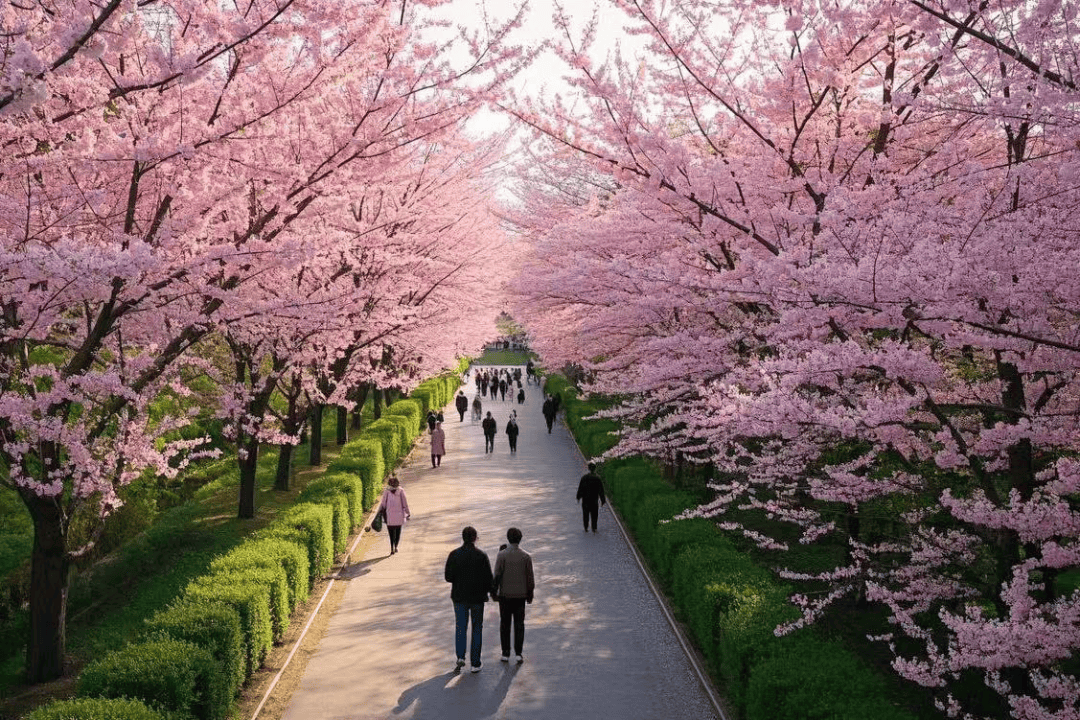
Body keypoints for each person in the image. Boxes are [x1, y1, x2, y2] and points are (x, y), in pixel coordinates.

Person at [445, 526, 494, 673]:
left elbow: (448, 577)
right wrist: (492, 592)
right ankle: (475, 663)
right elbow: (489, 579)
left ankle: (460, 656)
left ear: (463, 538)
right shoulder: (482, 556)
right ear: (475, 538)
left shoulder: (454, 555)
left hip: (459, 597)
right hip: (477, 598)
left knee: (461, 626)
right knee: (477, 629)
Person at [492, 527, 534, 664]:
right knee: (519, 623)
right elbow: (530, 578)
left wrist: (494, 592)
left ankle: (505, 653)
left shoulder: (502, 555)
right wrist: (530, 593)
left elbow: (497, 575)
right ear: (520, 539)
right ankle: (518, 653)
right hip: (520, 595)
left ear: (508, 538)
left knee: (505, 624)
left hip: (505, 595)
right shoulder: (526, 556)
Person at [377, 476, 411, 555]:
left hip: (389, 516)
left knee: (391, 533)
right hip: (399, 516)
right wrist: (408, 512)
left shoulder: (386, 492)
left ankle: (391, 546)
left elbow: (383, 504)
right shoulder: (401, 491)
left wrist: (380, 511)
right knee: (398, 532)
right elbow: (404, 503)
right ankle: (396, 546)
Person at [577, 463, 607, 532]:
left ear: (588, 468)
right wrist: (603, 500)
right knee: (594, 514)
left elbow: (580, 488)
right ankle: (594, 527)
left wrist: (579, 497)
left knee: (585, 514)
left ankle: (586, 527)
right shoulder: (597, 479)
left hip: (585, 500)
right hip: (594, 500)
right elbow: (601, 490)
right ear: (595, 469)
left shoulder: (584, 478)